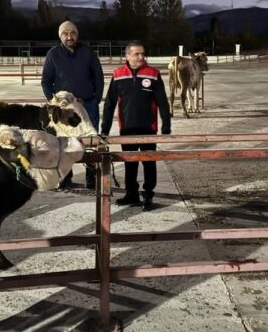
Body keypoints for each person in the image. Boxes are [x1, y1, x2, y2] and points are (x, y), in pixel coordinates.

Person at [101, 41, 171, 211]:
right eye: (136, 54)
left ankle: (148, 195)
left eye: (142, 53)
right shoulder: (118, 75)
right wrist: (105, 129)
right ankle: (131, 193)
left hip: (148, 128)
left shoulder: (153, 74)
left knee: (149, 162)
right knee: (129, 163)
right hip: (127, 128)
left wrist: (166, 126)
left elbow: (162, 101)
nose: (141, 57)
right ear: (127, 56)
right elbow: (109, 104)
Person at [41, 21, 104, 189]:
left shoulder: (88, 53)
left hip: (87, 105)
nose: (69, 36)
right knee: (63, 142)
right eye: (65, 33)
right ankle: (65, 177)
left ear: (77, 34)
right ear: (60, 36)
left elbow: (98, 76)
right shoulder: (53, 55)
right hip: (64, 110)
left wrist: (96, 99)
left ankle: (91, 177)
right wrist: (54, 103)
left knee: (90, 141)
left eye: (73, 33)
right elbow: (46, 81)